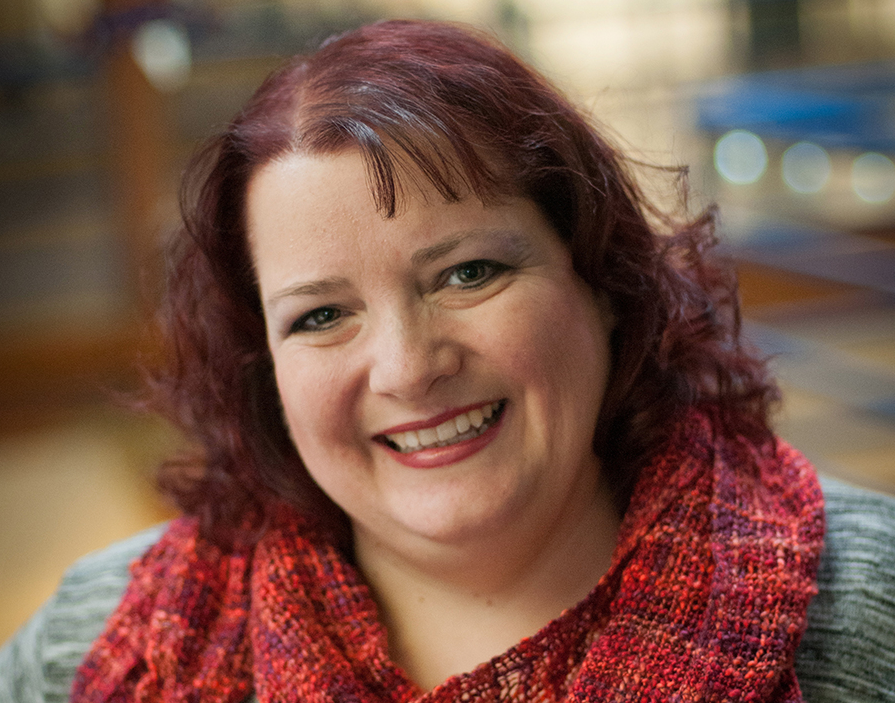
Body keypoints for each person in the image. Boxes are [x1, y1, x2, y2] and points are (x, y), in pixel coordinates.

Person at [2, 18, 894, 703]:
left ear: (604, 283)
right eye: (320, 315)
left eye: (469, 272)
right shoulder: (100, 643)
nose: (405, 367)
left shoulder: (863, 613)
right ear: (261, 371)